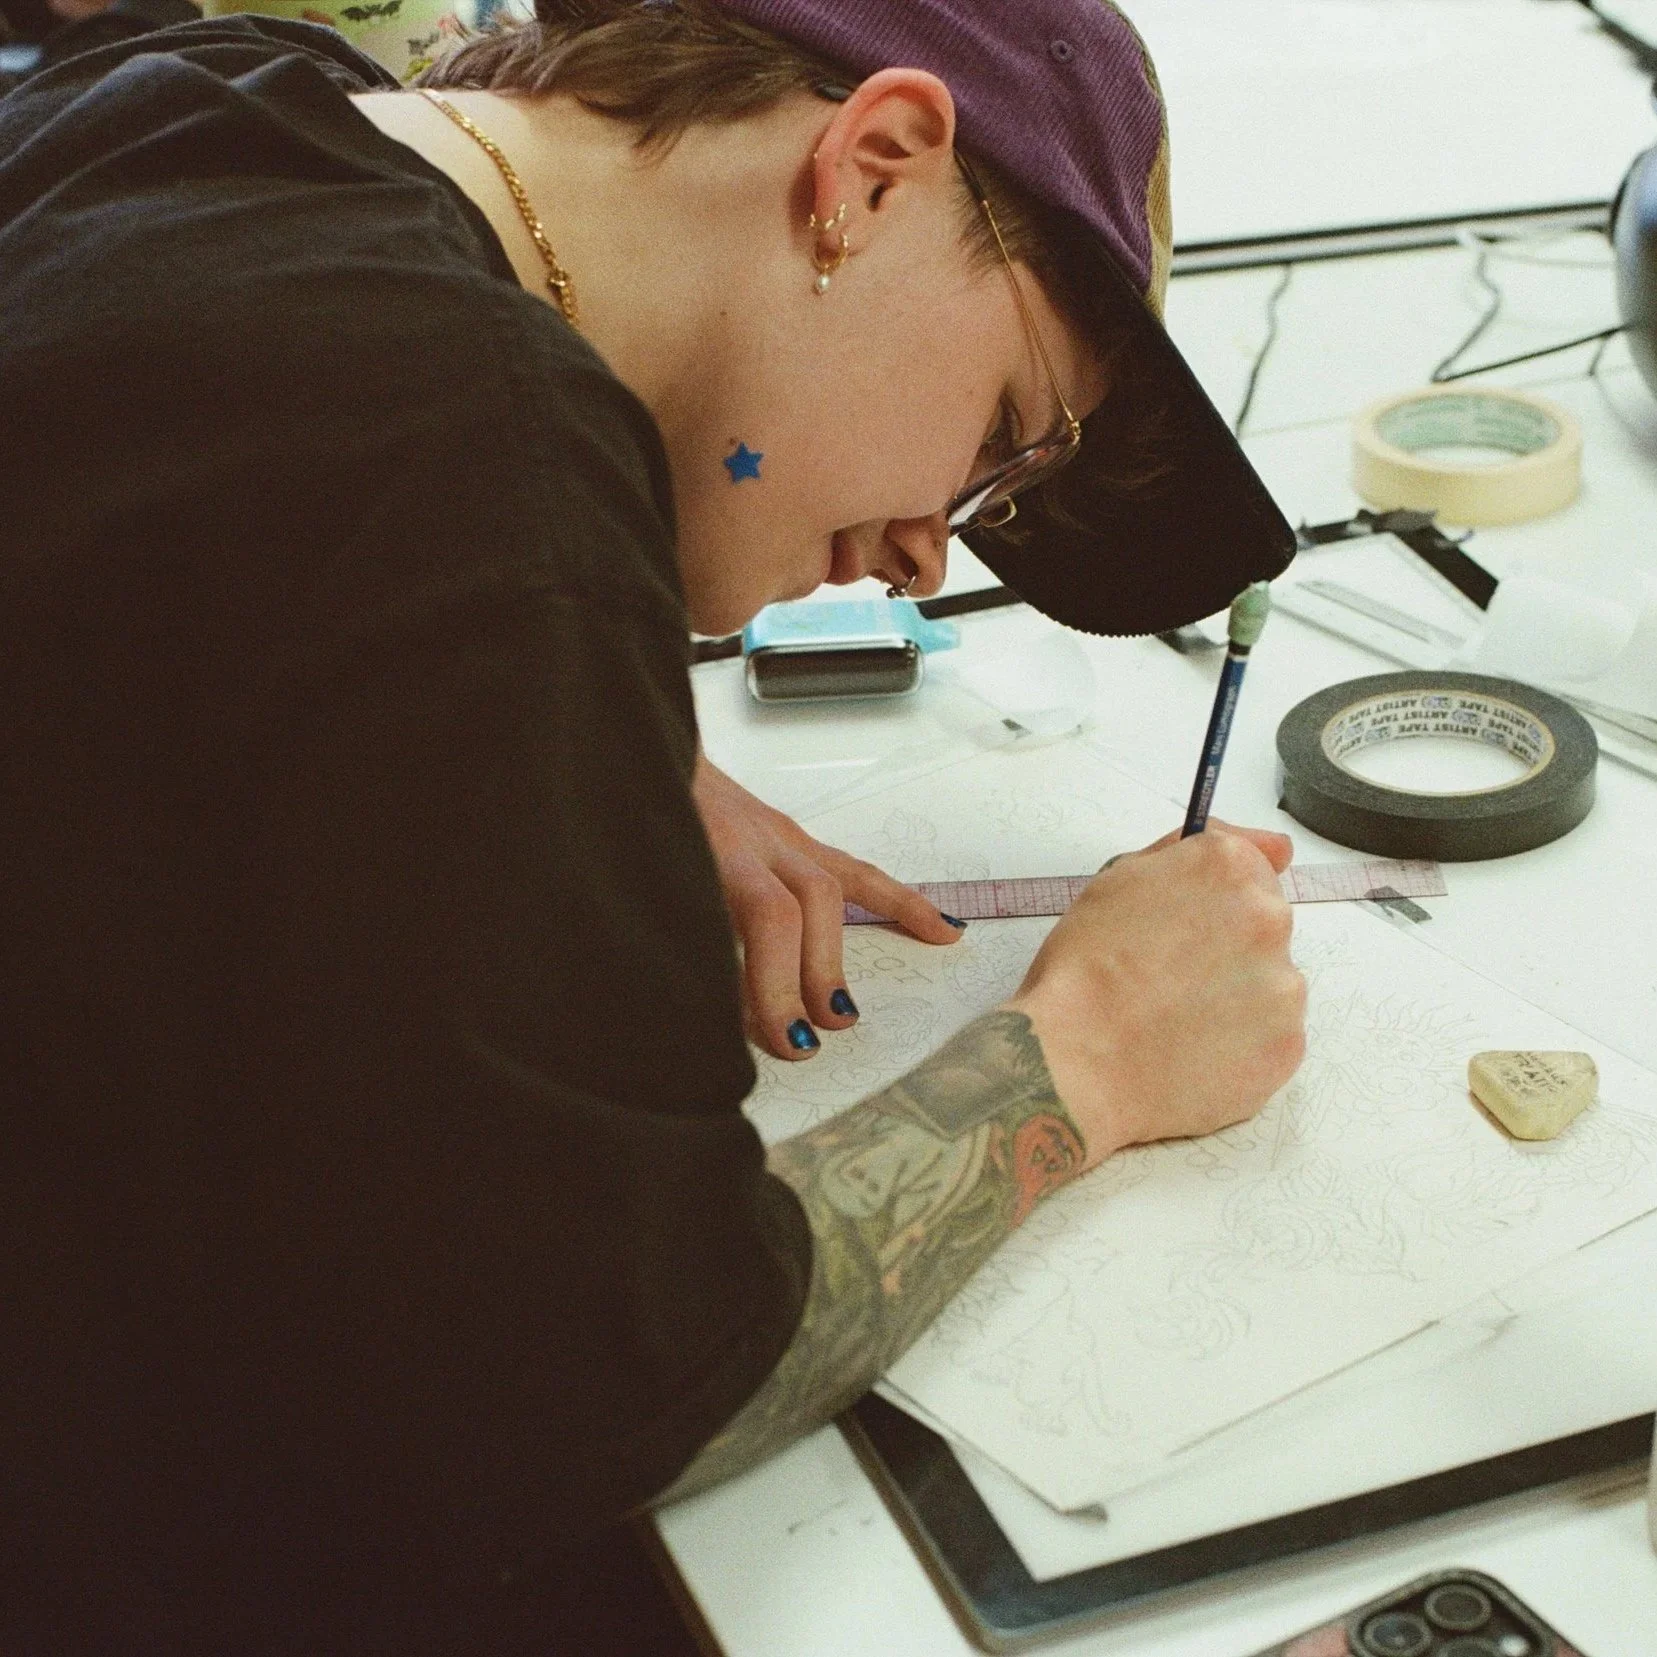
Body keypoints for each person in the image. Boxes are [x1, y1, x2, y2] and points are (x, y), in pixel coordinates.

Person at [0, 0, 1307, 1647]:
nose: (926, 556)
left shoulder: (212, 97)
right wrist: (1090, 1047)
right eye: (999, 437)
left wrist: (563, 719)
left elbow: (223, 551)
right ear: (874, 169)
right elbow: (579, 1384)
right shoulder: (455, 459)